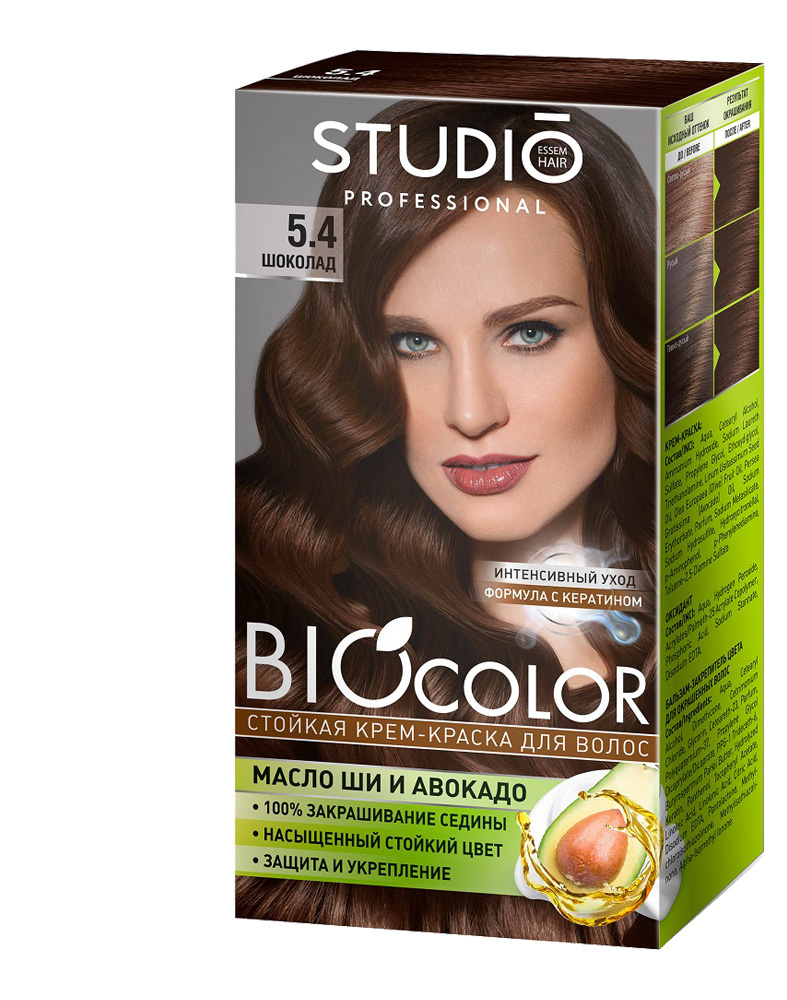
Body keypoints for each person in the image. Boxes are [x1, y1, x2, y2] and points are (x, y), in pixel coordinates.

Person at [236, 100, 657, 946]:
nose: (469, 412)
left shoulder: (716, 639)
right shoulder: (271, 643)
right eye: (412, 343)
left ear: (625, 335)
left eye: (529, 332)